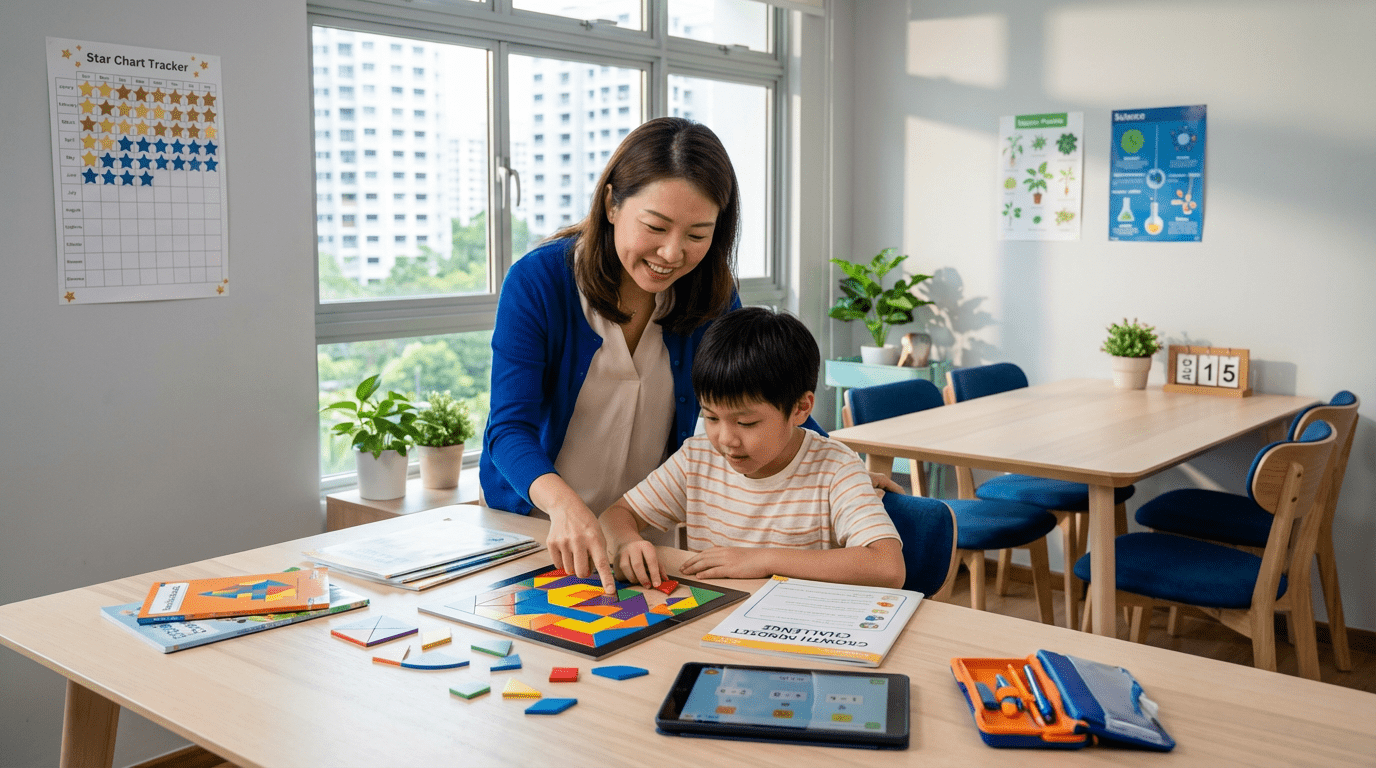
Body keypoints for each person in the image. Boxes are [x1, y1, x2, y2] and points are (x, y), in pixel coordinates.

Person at [481, 117, 743, 593]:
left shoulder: (713, 297)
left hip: (641, 540)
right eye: (656, 226)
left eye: (697, 235)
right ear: (611, 204)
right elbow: (508, 429)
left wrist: (835, 465)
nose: (672, 252)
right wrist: (565, 507)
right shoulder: (539, 283)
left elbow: (759, 395)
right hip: (541, 530)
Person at [602, 307, 907, 590]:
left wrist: (763, 560)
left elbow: (887, 566)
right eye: (710, 417)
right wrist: (627, 541)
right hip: (717, 618)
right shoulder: (698, 457)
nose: (725, 439)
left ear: (801, 408)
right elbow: (617, 514)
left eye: (746, 423)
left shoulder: (835, 467)